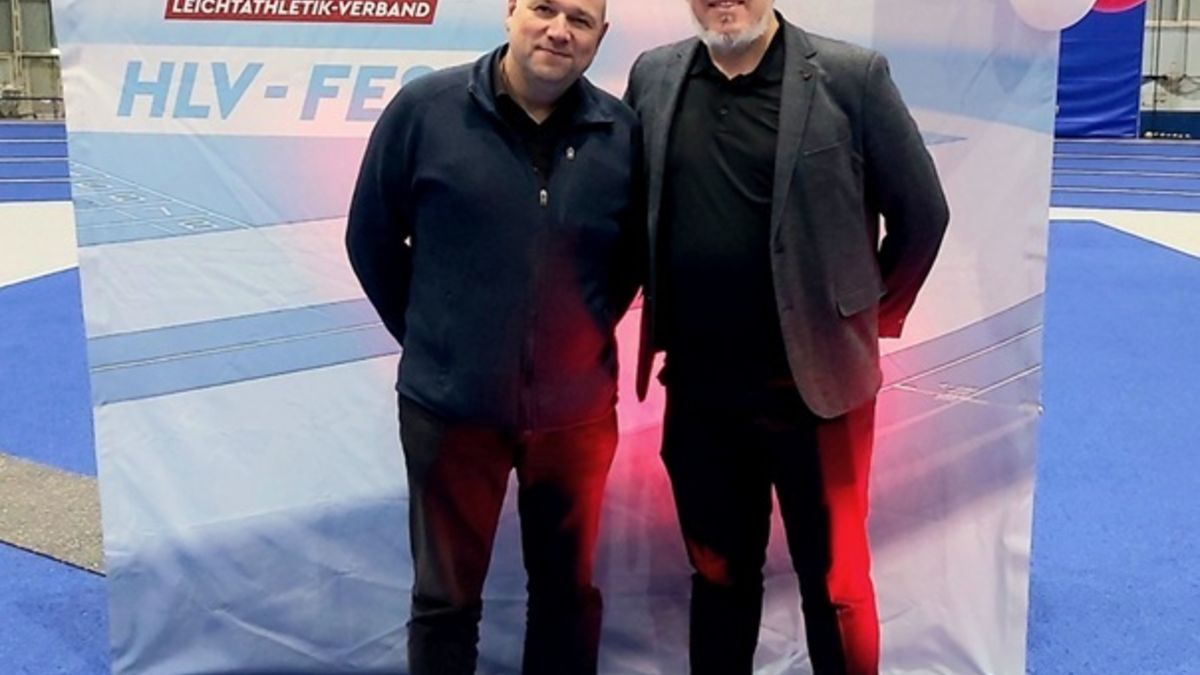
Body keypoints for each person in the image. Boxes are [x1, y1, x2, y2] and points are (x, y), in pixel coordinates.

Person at [624, 2, 949, 673]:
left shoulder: (851, 77)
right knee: (718, 575)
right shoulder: (653, 77)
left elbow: (922, 215)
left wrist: (860, 319)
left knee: (836, 586)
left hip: (820, 396)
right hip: (700, 394)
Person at [345, 0, 642, 672]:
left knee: (567, 598)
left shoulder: (622, 132)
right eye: (543, 8)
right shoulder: (425, 110)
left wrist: (576, 340)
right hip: (449, 414)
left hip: (575, 419)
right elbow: (370, 239)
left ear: (600, 36)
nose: (558, 30)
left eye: (580, 19)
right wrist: (439, 341)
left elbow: (627, 260)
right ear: (510, 12)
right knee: (445, 603)